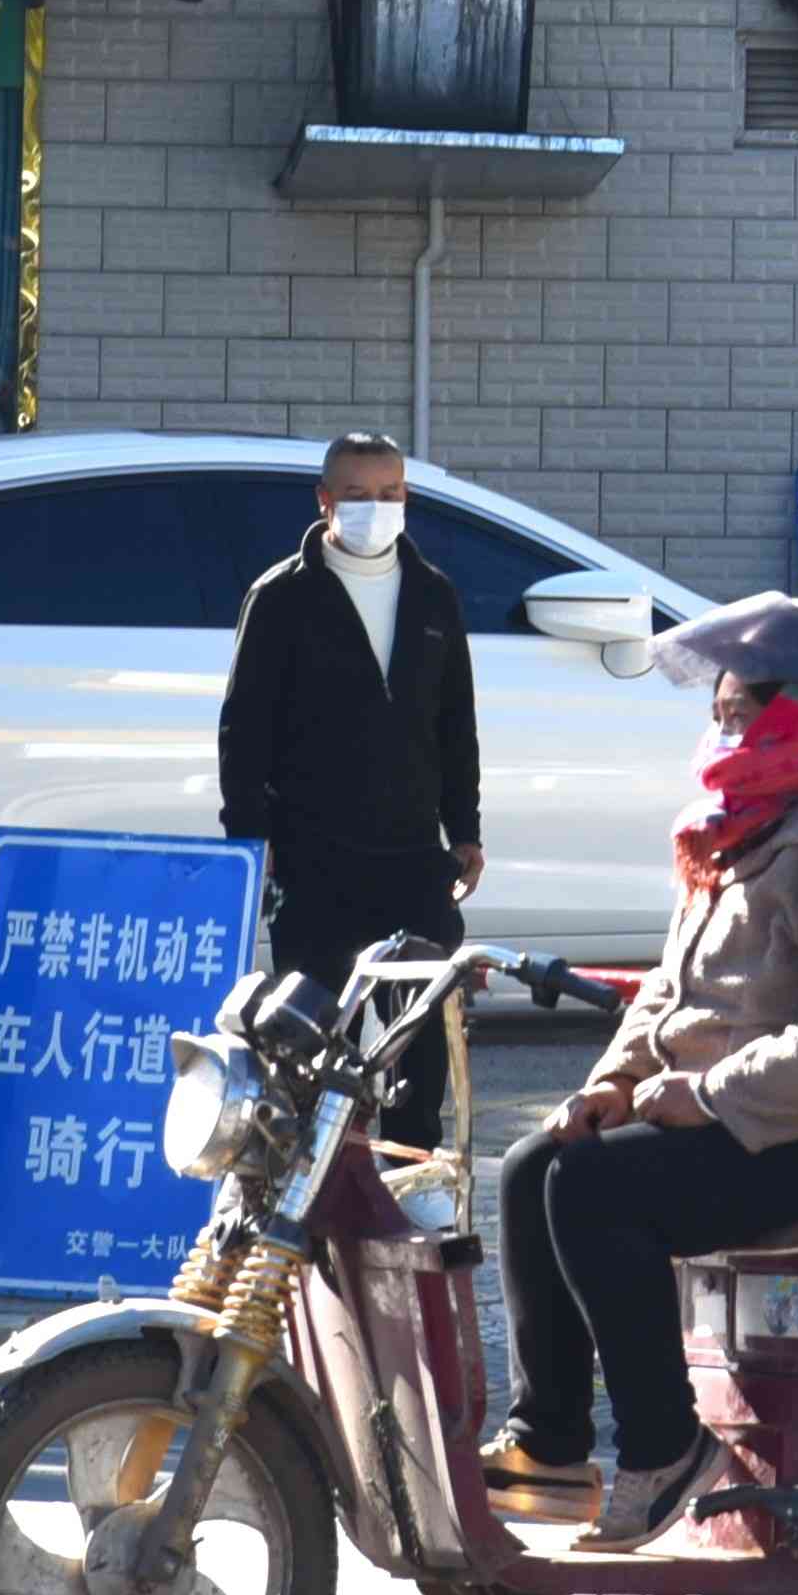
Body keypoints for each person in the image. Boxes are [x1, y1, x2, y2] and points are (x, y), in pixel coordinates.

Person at [479, 593, 798, 1550]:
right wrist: (612, 1082)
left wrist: (703, 1095)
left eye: (747, 705)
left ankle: (663, 1449)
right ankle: (550, 1445)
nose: (727, 723)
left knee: (593, 1190)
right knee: (538, 1160)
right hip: (766, 1117)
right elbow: (670, 988)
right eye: (725, 707)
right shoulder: (745, 830)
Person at [218, 431, 484, 1150]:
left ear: (407, 497)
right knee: (305, 1038)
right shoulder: (281, 598)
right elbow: (243, 729)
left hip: (411, 861)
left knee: (416, 1042)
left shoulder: (433, 594)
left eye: (390, 493)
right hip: (314, 862)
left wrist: (465, 826)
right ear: (325, 500)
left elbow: (455, 723)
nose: (375, 508)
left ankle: (412, 1173)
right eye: (358, 495)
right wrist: (252, 836)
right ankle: (302, 1186)